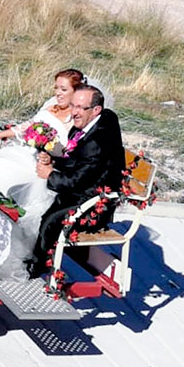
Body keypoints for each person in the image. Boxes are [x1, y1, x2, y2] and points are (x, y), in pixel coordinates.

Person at [0, 69, 84, 279]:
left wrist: (50, 156)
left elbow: (70, 152)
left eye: (64, 89)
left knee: (2, 179)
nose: (58, 93)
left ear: (76, 92)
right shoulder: (50, 105)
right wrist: (1, 134)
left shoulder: (74, 119)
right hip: (22, 152)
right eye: (56, 88)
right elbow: (28, 127)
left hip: (40, 165)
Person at [26, 84, 125, 279]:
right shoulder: (89, 124)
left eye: (81, 108)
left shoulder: (97, 142)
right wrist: (53, 162)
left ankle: (37, 269)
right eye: (73, 106)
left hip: (94, 202)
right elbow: (76, 162)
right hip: (81, 189)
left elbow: (77, 181)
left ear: (96, 110)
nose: (74, 112)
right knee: (29, 199)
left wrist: (50, 175)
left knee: (49, 221)